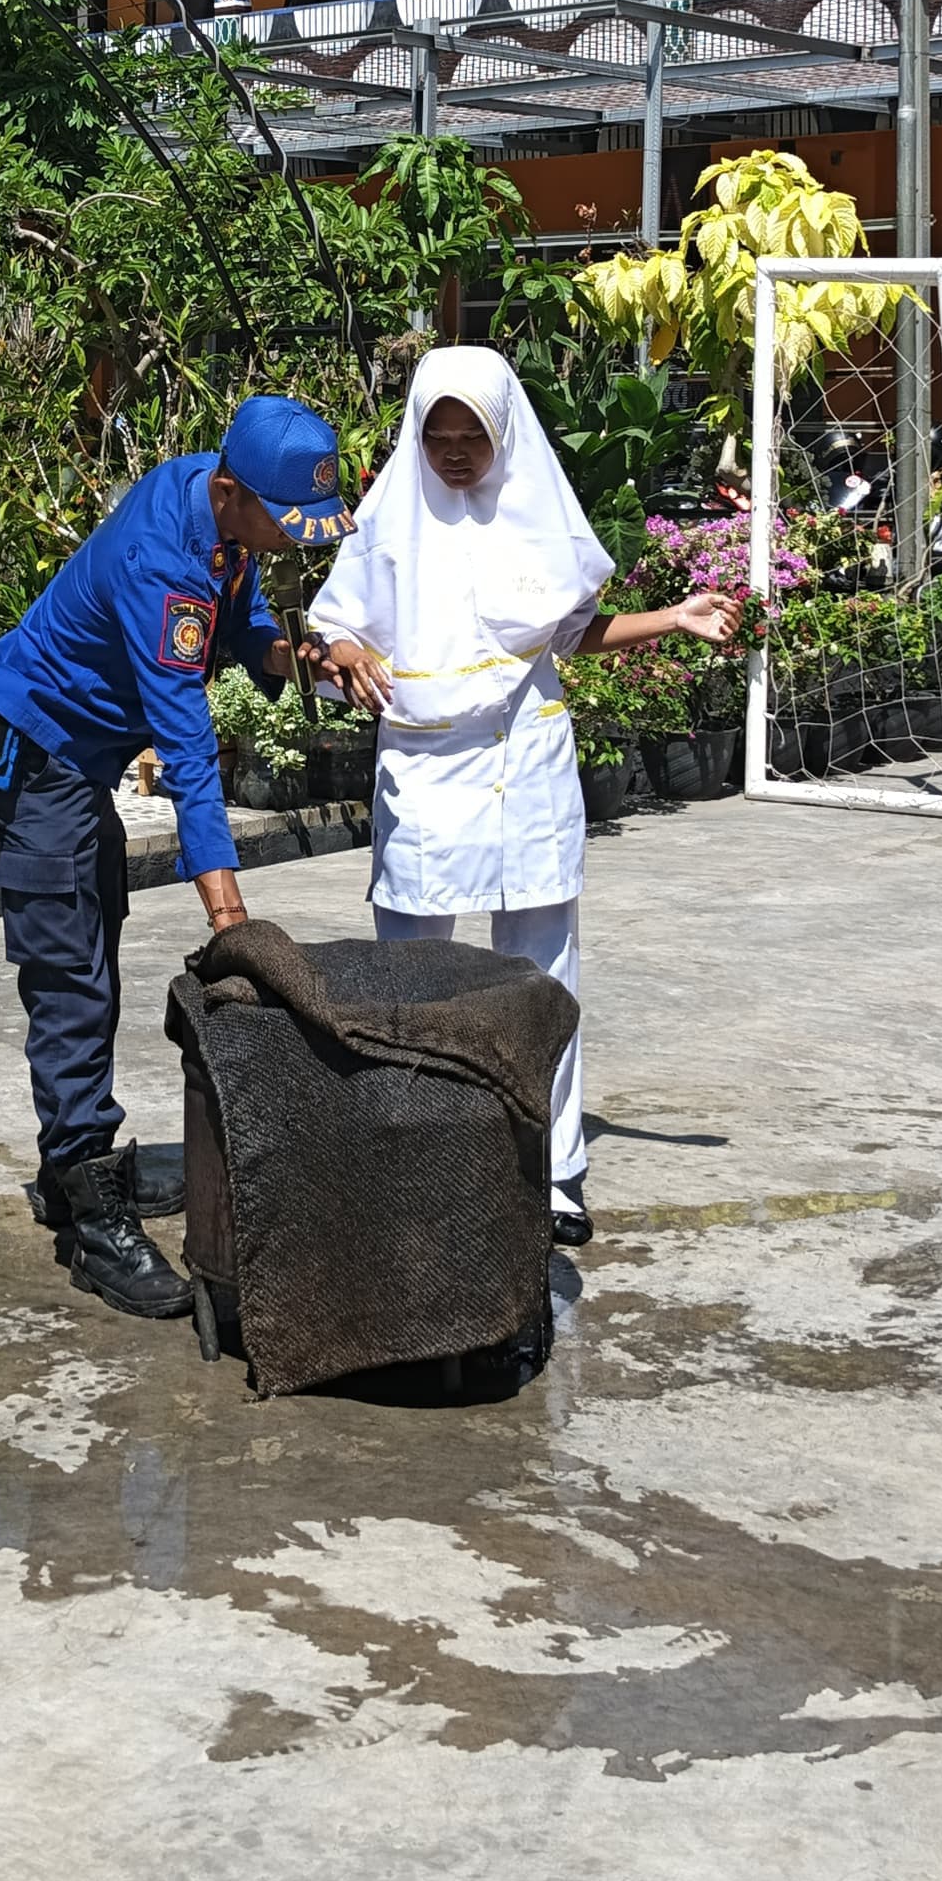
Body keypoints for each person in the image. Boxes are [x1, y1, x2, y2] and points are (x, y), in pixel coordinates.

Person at [308, 347, 736, 1246]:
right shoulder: (387, 523)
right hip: (424, 774)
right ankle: (418, 1150)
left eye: (475, 436)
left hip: (524, 764)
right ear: (415, 433)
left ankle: (552, 1169)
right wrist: (339, 659)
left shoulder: (536, 515)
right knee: (414, 977)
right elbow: (328, 640)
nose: (456, 454)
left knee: (542, 971)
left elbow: (570, 633)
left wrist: (676, 616)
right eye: (438, 435)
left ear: (505, 434)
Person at [0, 393, 360, 1317]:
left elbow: (245, 629)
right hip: (35, 758)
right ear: (232, 491)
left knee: (93, 943)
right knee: (72, 979)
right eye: (282, 522)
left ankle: (70, 1168)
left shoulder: (210, 511)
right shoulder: (164, 564)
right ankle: (89, 1219)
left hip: (78, 763)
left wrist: (306, 657)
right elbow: (186, 746)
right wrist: (230, 918)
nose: (292, 542)